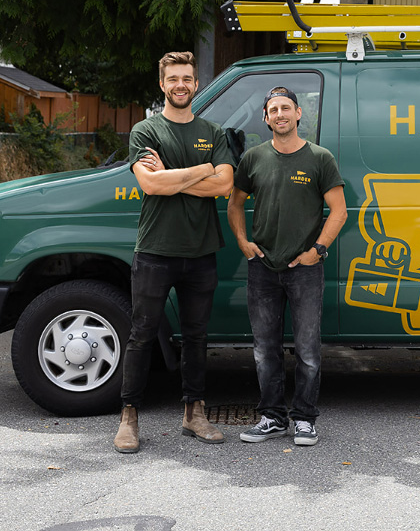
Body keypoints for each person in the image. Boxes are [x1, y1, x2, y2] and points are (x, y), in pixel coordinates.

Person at [113, 51, 235, 454]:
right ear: (162, 85)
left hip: (201, 251)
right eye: (173, 79)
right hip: (155, 250)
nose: (180, 85)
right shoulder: (145, 131)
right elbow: (150, 186)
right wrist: (203, 169)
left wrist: (174, 175)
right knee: (141, 335)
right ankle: (129, 417)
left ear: (196, 84)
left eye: (187, 78)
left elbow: (223, 187)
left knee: (197, 337)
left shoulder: (213, 132)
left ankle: (194, 412)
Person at [227, 86, 346, 447]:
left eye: (286, 108)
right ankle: (273, 418)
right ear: (265, 118)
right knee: (265, 350)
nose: (279, 114)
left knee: (308, 350)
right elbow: (234, 205)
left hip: (305, 268)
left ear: (298, 115)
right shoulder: (253, 158)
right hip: (263, 267)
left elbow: (339, 211)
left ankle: (305, 419)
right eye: (273, 109)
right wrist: (243, 242)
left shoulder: (319, 158)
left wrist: (317, 251)